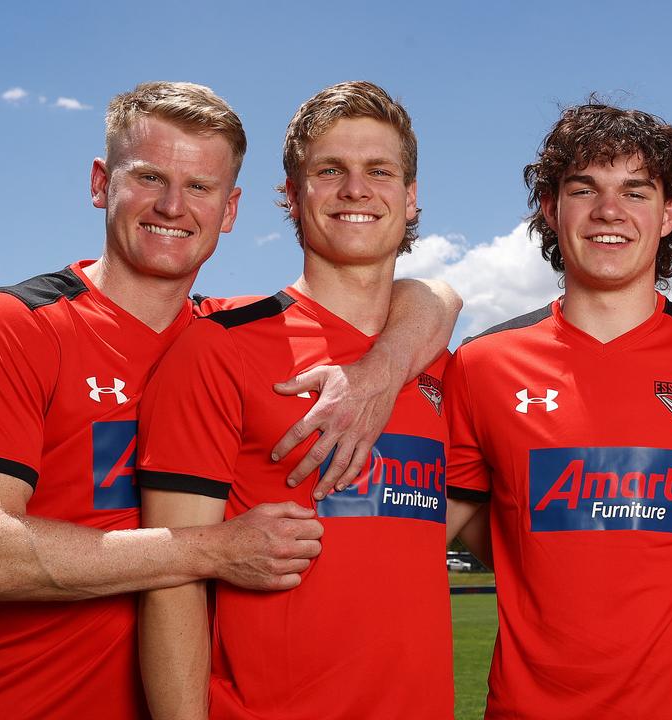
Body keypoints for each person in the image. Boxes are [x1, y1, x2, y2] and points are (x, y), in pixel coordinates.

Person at [0, 81, 456, 720]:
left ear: (230, 209)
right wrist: (210, 550)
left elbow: (432, 299)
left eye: (200, 187)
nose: (173, 206)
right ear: (101, 183)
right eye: (149, 177)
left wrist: (377, 372)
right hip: (33, 700)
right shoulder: (23, 323)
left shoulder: (220, 334)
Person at [136, 81, 459, 720]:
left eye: (380, 171)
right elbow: (171, 579)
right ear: (290, 195)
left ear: (411, 197)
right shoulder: (218, 349)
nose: (356, 190)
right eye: (329, 170)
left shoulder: (446, 367)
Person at [444, 102, 672, 719]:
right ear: (550, 209)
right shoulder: (482, 365)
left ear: (669, 214)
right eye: (583, 189)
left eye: (634, 191)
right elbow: (448, 522)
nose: (608, 211)